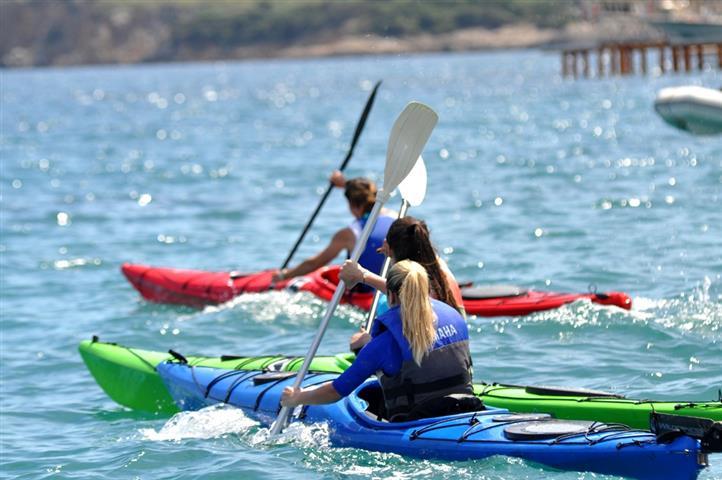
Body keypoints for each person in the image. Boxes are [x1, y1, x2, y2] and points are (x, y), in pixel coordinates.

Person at [280, 260, 480, 422]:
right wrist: (363, 276)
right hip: (467, 407)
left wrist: (297, 397)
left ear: (391, 294)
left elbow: (336, 391)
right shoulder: (452, 315)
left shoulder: (383, 344)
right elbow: (406, 294)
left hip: (418, 422)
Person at [339, 216, 465, 351]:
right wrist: (363, 275)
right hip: (459, 358)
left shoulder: (415, 290)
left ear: (387, 245)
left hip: (423, 357)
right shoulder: (439, 267)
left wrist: (369, 340)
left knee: (357, 342)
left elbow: (412, 294)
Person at [272, 171, 395, 289]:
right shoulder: (396, 217)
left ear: (352, 205)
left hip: (363, 294)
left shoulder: (349, 234)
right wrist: (345, 184)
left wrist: (284, 275)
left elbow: (314, 263)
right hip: (389, 287)